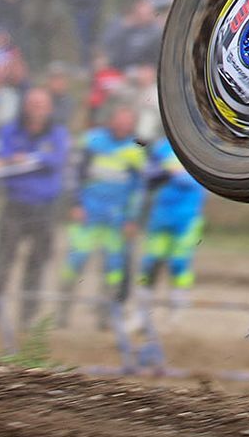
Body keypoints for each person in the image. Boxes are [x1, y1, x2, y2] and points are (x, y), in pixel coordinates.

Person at [0, 87, 70, 329]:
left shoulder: (57, 133)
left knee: (37, 262)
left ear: (49, 108)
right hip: (14, 206)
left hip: (45, 208)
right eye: (32, 104)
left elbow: (57, 160)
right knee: (2, 259)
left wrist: (32, 158)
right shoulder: (11, 130)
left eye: (41, 105)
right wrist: (24, 158)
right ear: (24, 106)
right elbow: (4, 155)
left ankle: (27, 318)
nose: (36, 109)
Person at [62, 105, 147, 326]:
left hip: (116, 219)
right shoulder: (92, 141)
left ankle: (106, 317)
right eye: (119, 120)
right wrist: (75, 204)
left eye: (127, 121)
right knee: (75, 261)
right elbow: (74, 173)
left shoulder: (136, 149)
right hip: (88, 213)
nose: (122, 125)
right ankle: (62, 312)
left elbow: (138, 189)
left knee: (113, 268)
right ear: (111, 120)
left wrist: (132, 218)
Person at [139, 138, 207, 306]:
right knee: (150, 262)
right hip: (161, 216)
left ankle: (178, 306)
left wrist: (173, 174)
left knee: (179, 263)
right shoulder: (162, 147)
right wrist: (166, 173)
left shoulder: (203, 148)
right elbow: (149, 175)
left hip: (188, 218)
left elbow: (200, 182)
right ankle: (142, 308)